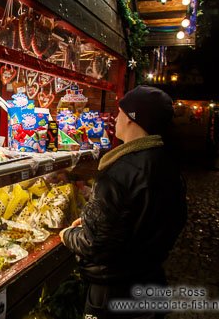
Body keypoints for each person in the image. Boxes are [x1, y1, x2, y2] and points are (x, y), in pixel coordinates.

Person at [60, 85, 187, 319]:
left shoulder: (119, 172)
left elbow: (94, 244)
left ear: (131, 118)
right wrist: (94, 222)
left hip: (114, 294)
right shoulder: (169, 166)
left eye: (120, 112)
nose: (116, 118)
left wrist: (68, 233)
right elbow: (174, 222)